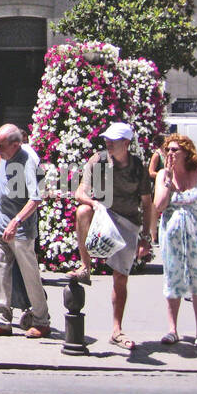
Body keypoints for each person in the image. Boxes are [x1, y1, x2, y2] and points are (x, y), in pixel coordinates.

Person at [70, 122, 153, 350]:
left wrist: (146, 237)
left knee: (120, 278)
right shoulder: (99, 161)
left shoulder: (138, 168)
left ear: (126, 143)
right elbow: (80, 193)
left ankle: (116, 330)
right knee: (83, 210)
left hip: (128, 222)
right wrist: (93, 202)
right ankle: (85, 267)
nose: (108, 143)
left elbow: (147, 204)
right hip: (103, 215)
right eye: (107, 139)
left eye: (113, 140)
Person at [0, 124, 51, 338]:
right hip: (1, 223)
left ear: (16, 144)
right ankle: (1, 321)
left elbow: (36, 198)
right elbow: (2, 185)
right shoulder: (4, 155)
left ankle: (41, 320)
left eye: (1, 147)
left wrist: (16, 221)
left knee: (30, 275)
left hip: (20, 228)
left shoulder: (28, 160)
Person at [154, 134, 197, 346]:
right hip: (172, 237)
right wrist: (167, 182)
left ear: (186, 152)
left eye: (176, 150)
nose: (171, 153)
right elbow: (159, 206)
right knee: (173, 281)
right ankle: (172, 329)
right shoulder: (163, 175)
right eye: (169, 150)